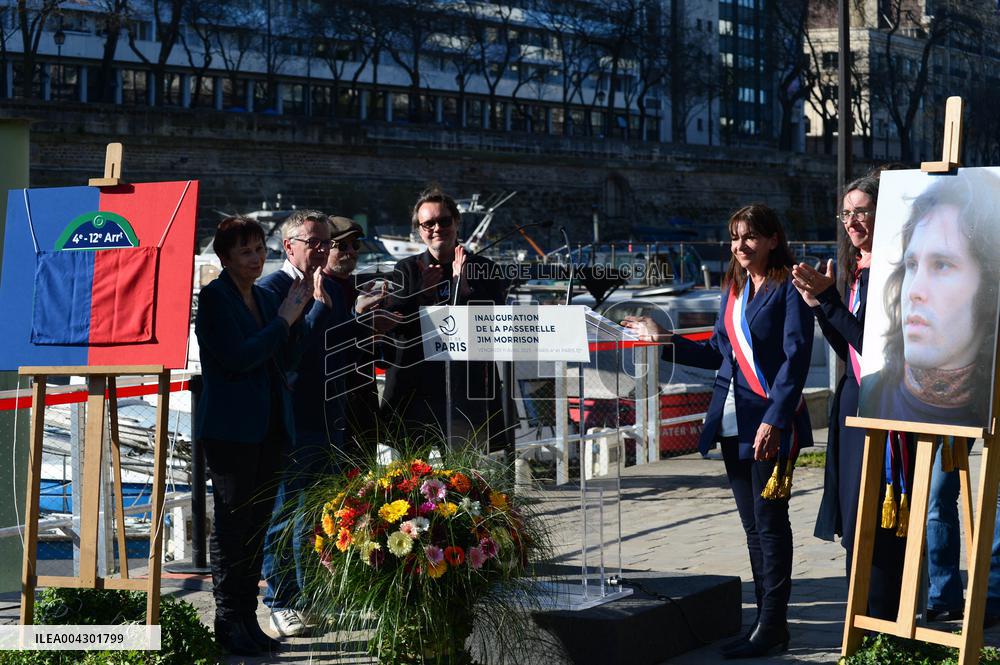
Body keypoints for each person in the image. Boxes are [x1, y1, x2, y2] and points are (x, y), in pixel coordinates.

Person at [623, 204, 813, 659]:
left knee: (771, 524)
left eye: (750, 237)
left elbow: (797, 358)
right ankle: (762, 623)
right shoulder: (735, 289)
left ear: (772, 239)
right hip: (732, 421)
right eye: (734, 237)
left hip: (770, 423)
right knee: (752, 529)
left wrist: (775, 418)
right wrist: (664, 339)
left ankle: (773, 625)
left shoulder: (789, 288)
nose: (740, 246)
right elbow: (717, 353)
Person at [859, 170, 1000, 622]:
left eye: (942, 265)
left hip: (988, 401)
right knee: (937, 496)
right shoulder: (878, 392)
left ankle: (992, 592)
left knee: (992, 496)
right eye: (912, 265)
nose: (916, 290)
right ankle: (943, 595)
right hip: (926, 420)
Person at [195, 216, 313, 656]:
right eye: (245, 251)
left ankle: (248, 618)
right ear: (225, 258)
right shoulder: (215, 298)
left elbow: (286, 356)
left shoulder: (264, 296)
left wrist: (298, 318)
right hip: (231, 430)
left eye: (260, 248)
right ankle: (229, 622)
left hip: (270, 428)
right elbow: (239, 357)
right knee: (232, 526)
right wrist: (283, 321)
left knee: (257, 527)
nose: (256, 257)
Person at [796, 175, 907, 620]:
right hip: (852, 404)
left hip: (884, 407)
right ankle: (856, 619)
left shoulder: (896, 269)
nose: (852, 221)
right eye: (846, 213)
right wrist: (819, 307)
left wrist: (830, 302)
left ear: (884, 214)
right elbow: (849, 349)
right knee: (854, 515)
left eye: (861, 211)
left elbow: (876, 348)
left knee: (878, 521)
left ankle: (881, 622)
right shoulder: (856, 270)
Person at [258, 210, 346, 637]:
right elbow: (281, 356)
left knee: (314, 516)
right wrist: (315, 314)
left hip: (326, 417)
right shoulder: (271, 290)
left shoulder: (326, 286)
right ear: (289, 245)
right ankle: (281, 602)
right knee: (284, 514)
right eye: (315, 242)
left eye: (327, 242)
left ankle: (308, 597)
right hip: (291, 422)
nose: (324, 249)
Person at [381, 187, 511, 450]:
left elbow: (496, 328)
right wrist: (422, 295)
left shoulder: (484, 268)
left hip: (468, 388)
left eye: (444, 221)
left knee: (467, 468)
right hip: (416, 388)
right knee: (412, 469)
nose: (437, 228)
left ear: (457, 222)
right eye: (428, 224)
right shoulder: (407, 269)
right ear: (419, 230)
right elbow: (395, 325)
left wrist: (465, 291)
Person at [320, 216, 390, 450]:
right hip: (334, 402)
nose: (350, 251)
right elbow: (328, 346)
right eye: (342, 245)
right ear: (324, 248)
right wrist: (359, 315)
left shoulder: (356, 286)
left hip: (363, 397)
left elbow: (373, 351)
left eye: (355, 245)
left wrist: (379, 330)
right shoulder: (318, 288)